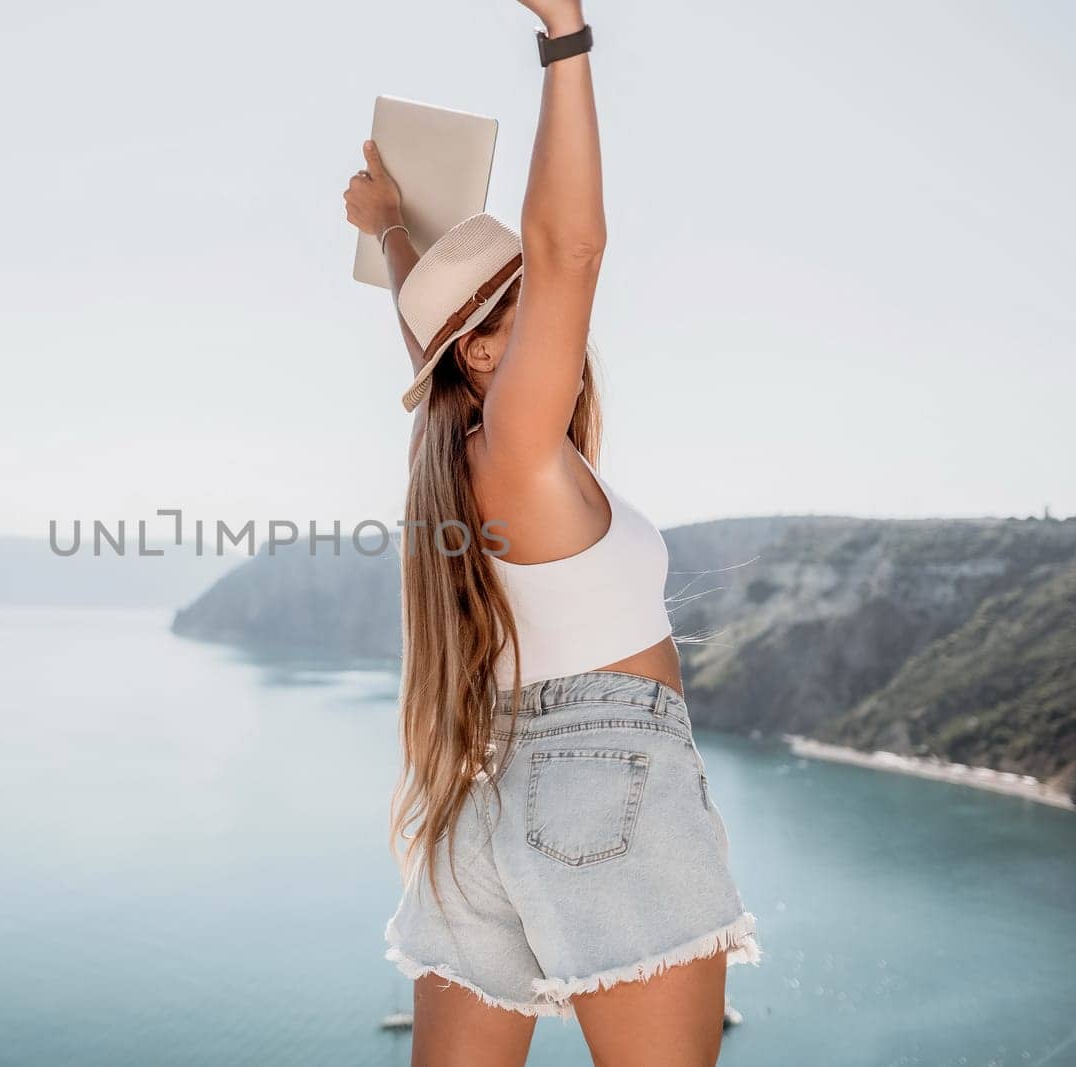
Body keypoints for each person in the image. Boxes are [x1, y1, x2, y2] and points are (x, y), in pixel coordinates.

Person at [341, 3, 760, 1064]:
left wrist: (392, 229)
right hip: (602, 789)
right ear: (484, 354)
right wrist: (565, 36)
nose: (563, 324)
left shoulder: (468, 450)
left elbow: (433, 335)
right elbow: (568, 246)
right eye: (526, 312)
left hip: (482, 799)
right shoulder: (518, 447)